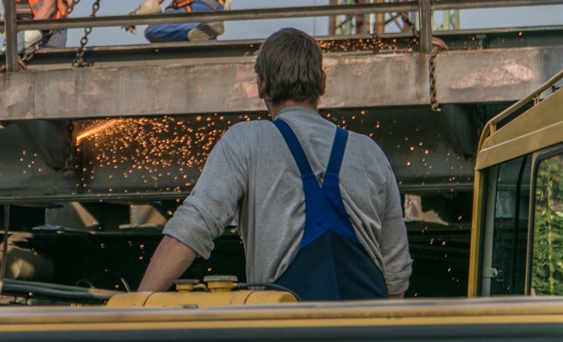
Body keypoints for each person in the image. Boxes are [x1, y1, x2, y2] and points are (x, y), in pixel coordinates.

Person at [137, 28, 412, 300]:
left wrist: (136, 307)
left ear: (261, 85)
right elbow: (395, 275)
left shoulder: (247, 140)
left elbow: (193, 227)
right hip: (369, 328)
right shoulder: (370, 152)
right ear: (323, 82)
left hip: (286, 326)